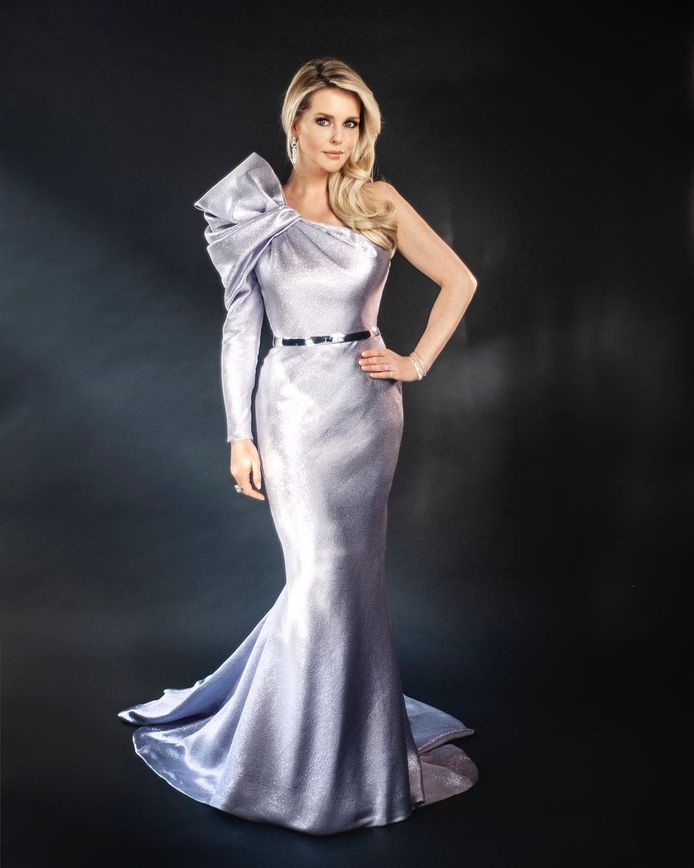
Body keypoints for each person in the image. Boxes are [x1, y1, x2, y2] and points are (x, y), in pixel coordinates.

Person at [118, 56, 479, 836]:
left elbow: (460, 281)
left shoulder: (377, 201)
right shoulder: (256, 215)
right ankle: (297, 763)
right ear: (294, 124)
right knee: (319, 578)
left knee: (354, 577)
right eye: (324, 120)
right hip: (290, 406)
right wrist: (238, 434)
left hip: (367, 405)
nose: (339, 137)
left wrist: (416, 361)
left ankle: (352, 754)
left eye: (352, 123)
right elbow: (240, 332)